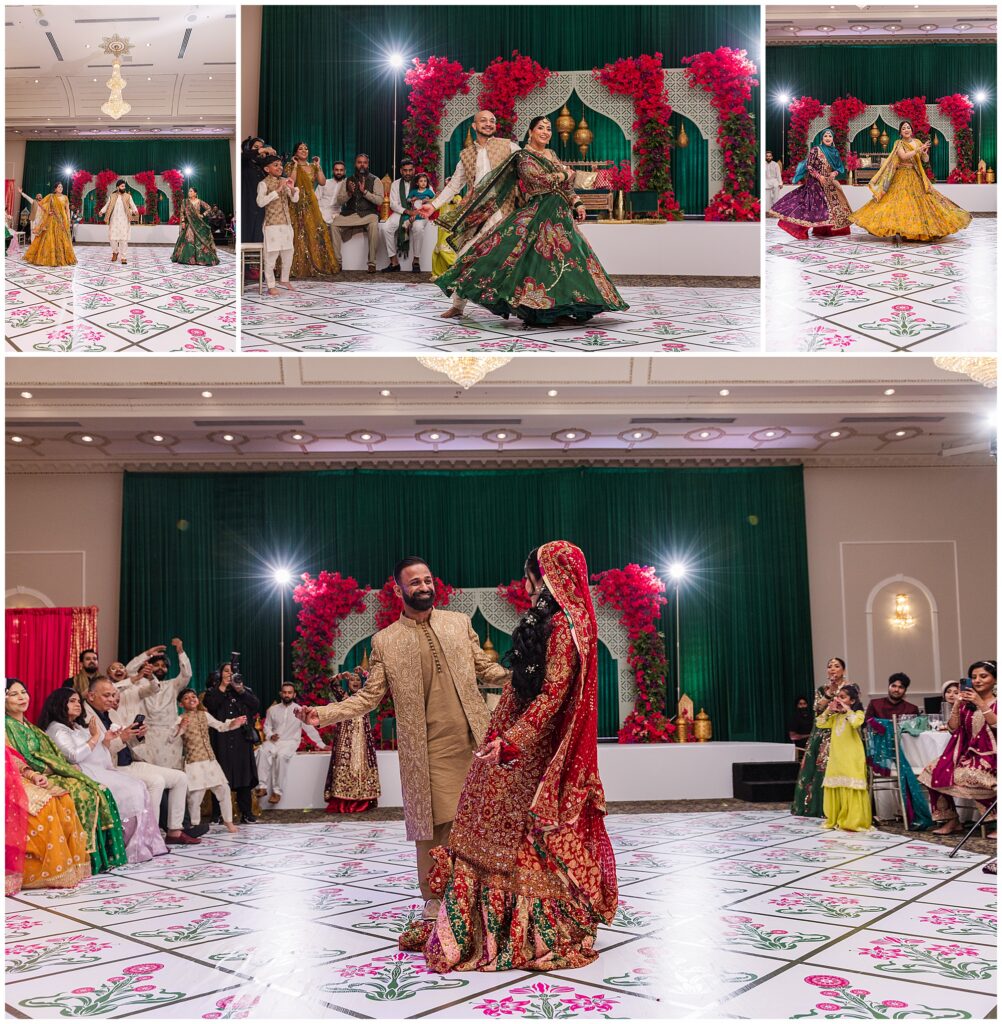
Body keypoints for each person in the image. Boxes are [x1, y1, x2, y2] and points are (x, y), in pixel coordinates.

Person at [400, 542, 618, 971]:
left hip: (528, 752)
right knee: (493, 826)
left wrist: (512, 741)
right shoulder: (554, 620)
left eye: (531, 576)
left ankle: (516, 930)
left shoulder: (565, 627)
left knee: (515, 835)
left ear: (547, 576)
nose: (526, 584)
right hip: (513, 745)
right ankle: (487, 922)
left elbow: (553, 695)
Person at [299, 557, 510, 920]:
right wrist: (325, 714)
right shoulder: (386, 640)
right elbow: (369, 697)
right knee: (433, 826)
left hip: (474, 742)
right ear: (399, 591)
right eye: (415, 582)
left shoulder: (459, 623)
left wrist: (520, 676)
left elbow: (486, 670)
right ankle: (434, 895)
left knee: (480, 820)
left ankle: (481, 891)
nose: (424, 587)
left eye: (427, 580)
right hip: (426, 750)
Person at [430, 116, 628, 327]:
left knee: (566, 262)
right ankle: (460, 303)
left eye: (548, 129)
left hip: (560, 215)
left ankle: (561, 307)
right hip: (537, 212)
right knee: (498, 257)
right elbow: (537, 179)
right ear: (530, 132)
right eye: (540, 128)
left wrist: (577, 202)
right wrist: (564, 174)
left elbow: (567, 185)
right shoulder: (522, 155)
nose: (545, 132)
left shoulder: (549, 154)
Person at [6, 679, 128, 874]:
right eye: (14, 694)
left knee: (97, 790)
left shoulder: (31, 727)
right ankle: (82, 858)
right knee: (83, 794)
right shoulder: (6, 726)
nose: (22, 697)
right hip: (25, 777)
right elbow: (11, 758)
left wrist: (64, 768)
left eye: (24, 692)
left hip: (52, 771)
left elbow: (52, 755)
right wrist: (36, 773)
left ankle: (99, 858)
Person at [39, 687, 166, 864]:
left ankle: (143, 844)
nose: (77, 704)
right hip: (82, 772)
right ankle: (130, 847)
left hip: (98, 769)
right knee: (131, 789)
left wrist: (106, 739)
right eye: (72, 701)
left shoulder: (77, 726)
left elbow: (98, 750)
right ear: (59, 704)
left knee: (139, 785)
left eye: (78, 701)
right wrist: (95, 737)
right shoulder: (57, 729)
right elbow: (74, 756)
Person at [420, 109, 521, 319]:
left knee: (514, 260)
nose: (488, 123)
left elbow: (527, 169)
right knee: (464, 256)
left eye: (492, 120)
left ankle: (526, 308)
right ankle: (458, 306)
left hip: (505, 212)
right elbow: (454, 186)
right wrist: (434, 205)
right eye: (483, 120)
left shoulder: (508, 146)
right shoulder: (465, 155)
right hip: (478, 216)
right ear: (474, 126)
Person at [89, 675, 197, 847]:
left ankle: (174, 832)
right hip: (112, 768)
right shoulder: (87, 718)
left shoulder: (112, 713)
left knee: (180, 777)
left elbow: (125, 739)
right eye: (106, 695)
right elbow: (96, 752)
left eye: (112, 695)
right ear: (91, 696)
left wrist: (138, 735)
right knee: (156, 781)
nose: (111, 699)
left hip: (129, 762)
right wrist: (122, 738)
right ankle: (148, 835)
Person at [850, 120, 972, 241]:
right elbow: (903, 156)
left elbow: (925, 160)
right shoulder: (899, 143)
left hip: (916, 176)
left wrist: (924, 153)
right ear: (900, 132)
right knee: (899, 202)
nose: (906, 130)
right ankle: (899, 229)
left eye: (908, 127)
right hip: (901, 176)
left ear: (912, 130)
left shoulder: (917, 142)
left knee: (921, 202)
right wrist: (918, 150)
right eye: (903, 128)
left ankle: (917, 230)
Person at [919, 660, 997, 836]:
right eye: (974, 677)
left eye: (983, 676)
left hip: (991, 755)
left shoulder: (996, 702)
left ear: (995, 679)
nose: (977, 680)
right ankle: (952, 820)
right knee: (932, 771)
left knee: (973, 776)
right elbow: (953, 729)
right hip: (966, 755)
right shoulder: (967, 705)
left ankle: (996, 821)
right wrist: (956, 705)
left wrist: (981, 703)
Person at [5, 744, 90, 894]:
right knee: (43, 809)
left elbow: (8, 756)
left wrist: (32, 775)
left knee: (62, 799)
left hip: (11, 777)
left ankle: (56, 867)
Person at [175, 688, 246, 834]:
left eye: (193, 696)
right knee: (196, 797)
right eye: (186, 698)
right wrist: (181, 727)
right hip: (194, 762)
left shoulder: (204, 715)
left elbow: (220, 726)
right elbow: (173, 738)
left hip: (210, 760)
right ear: (181, 704)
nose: (191, 699)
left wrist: (234, 723)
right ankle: (194, 825)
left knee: (224, 790)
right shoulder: (179, 719)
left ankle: (228, 821)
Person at [768, 127, 851, 241]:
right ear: (822, 138)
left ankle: (828, 230)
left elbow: (839, 167)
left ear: (833, 139)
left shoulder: (835, 152)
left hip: (828, 182)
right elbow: (809, 166)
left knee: (833, 207)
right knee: (812, 207)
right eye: (825, 136)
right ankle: (800, 229)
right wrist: (819, 176)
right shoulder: (816, 149)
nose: (827, 138)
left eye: (830, 136)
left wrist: (834, 173)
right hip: (815, 183)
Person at [202, 663, 260, 824]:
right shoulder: (213, 692)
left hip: (242, 740)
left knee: (244, 777)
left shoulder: (244, 691)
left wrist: (240, 690)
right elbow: (211, 705)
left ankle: (246, 813)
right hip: (221, 740)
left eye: (232, 671)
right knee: (220, 777)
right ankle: (217, 814)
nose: (229, 674)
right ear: (220, 674)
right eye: (226, 671)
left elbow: (255, 705)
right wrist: (223, 686)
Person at [123, 639, 193, 771]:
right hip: (148, 734)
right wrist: (147, 654)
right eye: (156, 665)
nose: (160, 668)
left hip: (169, 736)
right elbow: (129, 670)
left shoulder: (173, 685)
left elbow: (186, 674)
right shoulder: (142, 683)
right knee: (152, 774)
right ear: (149, 667)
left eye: (164, 666)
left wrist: (180, 652)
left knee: (172, 774)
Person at [254, 681, 327, 806]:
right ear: (280, 694)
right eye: (284, 692)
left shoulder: (300, 711)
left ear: (294, 694)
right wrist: (271, 735)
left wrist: (322, 745)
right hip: (273, 741)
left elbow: (310, 729)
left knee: (281, 756)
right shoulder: (272, 710)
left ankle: (277, 792)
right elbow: (267, 727)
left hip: (290, 742)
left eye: (289, 692)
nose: (287, 695)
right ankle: (262, 787)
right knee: (262, 751)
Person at [791, 658, 847, 817]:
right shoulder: (822, 689)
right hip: (823, 732)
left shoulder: (850, 688)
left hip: (843, 730)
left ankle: (843, 806)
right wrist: (829, 694)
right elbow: (817, 708)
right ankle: (818, 806)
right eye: (829, 666)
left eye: (836, 666)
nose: (832, 669)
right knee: (820, 765)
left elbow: (854, 706)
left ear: (843, 670)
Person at [322, 670, 381, 813]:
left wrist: (366, 674)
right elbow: (332, 682)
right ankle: (343, 801)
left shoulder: (367, 698)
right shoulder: (344, 698)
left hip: (363, 741)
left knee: (362, 767)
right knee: (344, 765)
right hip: (345, 741)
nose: (355, 682)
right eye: (352, 680)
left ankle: (362, 801)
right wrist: (341, 676)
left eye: (358, 680)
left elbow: (377, 686)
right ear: (347, 683)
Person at [816, 683, 872, 832]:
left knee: (852, 785)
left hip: (852, 756)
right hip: (836, 758)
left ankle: (853, 821)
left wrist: (847, 710)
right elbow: (820, 723)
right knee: (835, 785)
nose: (838, 700)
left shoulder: (858, 714)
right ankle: (835, 819)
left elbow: (856, 723)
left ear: (852, 701)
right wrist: (829, 710)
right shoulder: (835, 717)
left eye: (842, 697)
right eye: (837, 697)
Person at [284, 141, 339, 277]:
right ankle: (294, 267)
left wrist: (318, 166)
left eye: (306, 149)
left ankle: (313, 265)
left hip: (310, 204)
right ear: (295, 152)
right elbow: (291, 182)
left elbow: (322, 182)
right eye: (300, 149)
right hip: (295, 201)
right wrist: (295, 165)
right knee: (296, 233)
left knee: (313, 232)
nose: (304, 151)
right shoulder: (290, 165)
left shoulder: (313, 167)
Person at [330, 153, 384, 273]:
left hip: (368, 214)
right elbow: (339, 201)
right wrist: (349, 193)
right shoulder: (347, 180)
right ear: (355, 164)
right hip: (351, 214)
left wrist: (365, 192)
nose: (362, 165)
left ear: (368, 164)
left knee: (374, 223)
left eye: (364, 162)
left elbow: (380, 201)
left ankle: (372, 263)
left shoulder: (375, 180)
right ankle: (337, 262)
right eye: (359, 162)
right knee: (334, 225)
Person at [256, 154, 300, 296]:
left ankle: (284, 279)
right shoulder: (263, 184)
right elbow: (260, 202)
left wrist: (291, 189)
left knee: (288, 253)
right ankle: (271, 285)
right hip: (272, 225)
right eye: (275, 165)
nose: (280, 167)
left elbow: (294, 200)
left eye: (280, 165)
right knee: (271, 256)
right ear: (266, 169)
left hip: (286, 223)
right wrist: (277, 191)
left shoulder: (284, 181)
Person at [381, 160, 430, 273]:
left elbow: (430, 199)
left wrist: (418, 210)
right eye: (405, 170)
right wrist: (407, 212)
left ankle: (416, 261)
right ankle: (394, 262)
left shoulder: (422, 181)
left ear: (414, 170)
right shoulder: (396, 184)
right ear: (401, 171)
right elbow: (393, 204)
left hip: (420, 213)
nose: (408, 173)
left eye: (410, 170)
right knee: (386, 228)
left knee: (418, 227)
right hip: (401, 212)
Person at [23, 182, 76, 266]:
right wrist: (48, 211)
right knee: (49, 237)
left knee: (62, 238)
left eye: (61, 187)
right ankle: (50, 258)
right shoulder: (51, 196)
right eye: (59, 187)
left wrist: (68, 220)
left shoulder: (65, 197)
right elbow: (40, 203)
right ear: (55, 189)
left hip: (62, 220)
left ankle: (61, 258)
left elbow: (67, 210)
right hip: (52, 220)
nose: (61, 188)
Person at [395, 171, 435, 272]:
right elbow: (408, 199)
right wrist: (412, 200)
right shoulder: (414, 191)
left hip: (424, 211)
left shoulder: (429, 191)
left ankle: (416, 258)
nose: (423, 183)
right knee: (416, 220)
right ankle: (410, 220)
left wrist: (428, 200)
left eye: (425, 181)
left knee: (418, 226)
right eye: (421, 181)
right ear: (417, 183)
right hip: (414, 210)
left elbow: (435, 199)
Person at [171, 187, 220, 266]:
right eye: (189, 191)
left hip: (198, 223)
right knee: (188, 238)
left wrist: (203, 215)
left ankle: (200, 258)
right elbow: (182, 212)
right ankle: (187, 258)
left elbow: (209, 208)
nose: (189, 193)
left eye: (191, 191)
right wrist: (183, 221)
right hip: (189, 223)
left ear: (195, 193)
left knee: (199, 241)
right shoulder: (185, 202)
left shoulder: (199, 201)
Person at [99, 179, 138, 265]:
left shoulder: (128, 196)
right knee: (112, 238)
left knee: (123, 239)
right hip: (114, 220)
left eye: (124, 186)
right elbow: (107, 205)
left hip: (124, 220)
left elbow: (133, 205)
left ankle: (123, 256)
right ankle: (115, 252)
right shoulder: (112, 196)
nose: (124, 188)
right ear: (117, 187)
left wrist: (135, 210)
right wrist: (102, 211)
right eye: (122, 186)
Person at [241, 136, 271, 244]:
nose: (260, 150)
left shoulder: (264, 168)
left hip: (261, 205)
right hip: (247, 203)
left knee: (259, 233)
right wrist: (261, 150)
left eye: (262, 147)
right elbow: (245, 155)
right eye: (256, 147)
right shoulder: (244, 163)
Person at [316, 160, 347, 233]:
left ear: (345, 171)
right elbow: (316, 198)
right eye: (336, 170)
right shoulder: (325, 182)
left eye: (341, 170)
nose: (339, 172)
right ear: (333, 171)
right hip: (319, 213)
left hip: (336, 215)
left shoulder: (346, 185)